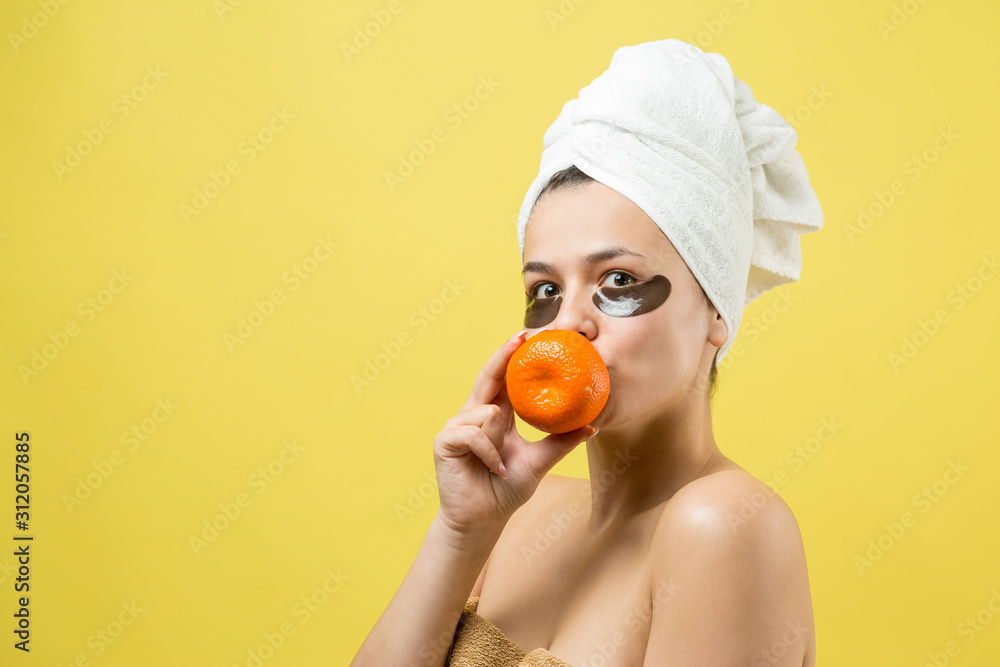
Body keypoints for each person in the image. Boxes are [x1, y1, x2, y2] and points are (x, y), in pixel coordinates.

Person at [352, 38, 822, 667]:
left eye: (618, 281)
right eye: (546, 290)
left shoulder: (723, 525)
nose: (568, 322)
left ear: (716, 308)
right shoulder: (522, 514)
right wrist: (460, 532)